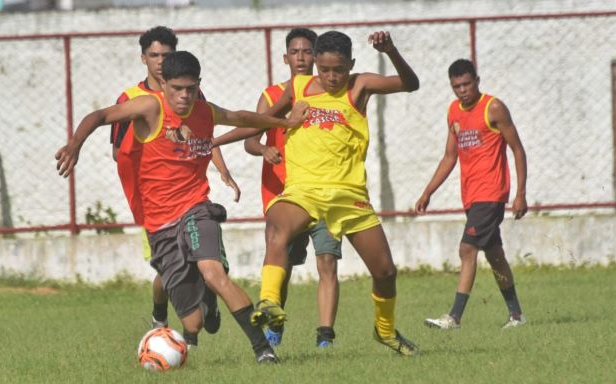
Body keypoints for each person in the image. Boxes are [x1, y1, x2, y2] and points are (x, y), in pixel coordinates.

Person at [55, 51, 308, 363]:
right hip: (160, 225)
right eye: (177, 88)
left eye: (190, 88)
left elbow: (243, 117)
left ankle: (263, 350)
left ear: (198, 85)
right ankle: (182, 308)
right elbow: (99, 116)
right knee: (193, 324)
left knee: (213, 272)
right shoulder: (150, 107)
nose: (184, 96)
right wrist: (74, 144)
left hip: (196, 208)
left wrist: (285, 122)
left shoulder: (205, 111)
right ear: (163, 84)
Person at [213, 30, 420, 356]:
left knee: (385, 272)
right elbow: (262, 123)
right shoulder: (296, 89)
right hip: (303, 191)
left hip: (349, 196)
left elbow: (410, 84)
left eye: (339, 69)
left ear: (350, 64)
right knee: (277, 226)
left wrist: (391, 50)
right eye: (325, 69)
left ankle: (385, 330)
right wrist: (214, 141)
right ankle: (269, 301)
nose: (332, 76)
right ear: (315, 64)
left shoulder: (360, 85)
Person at [110, 26, 240, 342]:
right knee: (170, 271)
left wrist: (223, 170)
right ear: (143, 58)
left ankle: (200, 314)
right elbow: (118, 150)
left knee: (208, 263)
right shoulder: (132, 100)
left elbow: (204, 137)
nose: (159, 61)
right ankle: (160, 312)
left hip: (191, 200)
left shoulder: (190, 93)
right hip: (152, 203)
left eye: (165, 55)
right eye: (153, 55)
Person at [243, 28, 341, 348]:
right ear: (285, 58)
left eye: (306, 51)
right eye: (295, 52)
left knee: (327, 260)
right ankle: (275, 322)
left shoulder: (330, 95)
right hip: (283, 196)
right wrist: (264, 150)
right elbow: (250, 139)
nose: (301, 57)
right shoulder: (272, 96)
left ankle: (325, 337)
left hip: (323, 190)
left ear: (316, 56)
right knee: (282, 263)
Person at [415, 58, 528, 330]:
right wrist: (428, 191)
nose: (462, 90)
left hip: (491, 194)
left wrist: (520, 193)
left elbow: (518, 149)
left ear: (477, 81)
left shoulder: (494, 108)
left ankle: (454, 317)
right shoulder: (454, 111)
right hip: (471, 195)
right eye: (456, 86)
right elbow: (449, 156)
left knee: (467, 249)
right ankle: (516, 316)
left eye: (467, 84)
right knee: (495, 255)